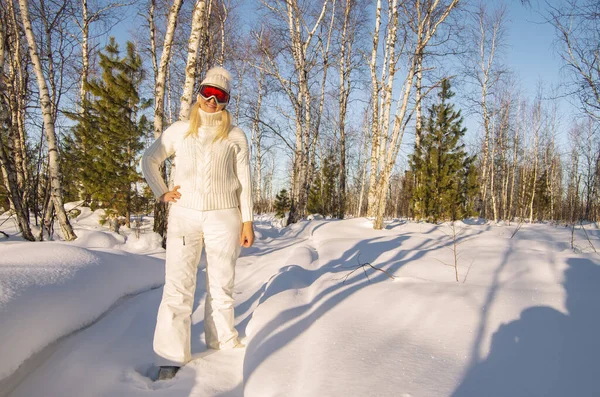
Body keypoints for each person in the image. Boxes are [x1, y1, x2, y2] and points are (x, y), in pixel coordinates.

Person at [141, 66, 254, 381]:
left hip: (226, 217)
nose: (212, 101)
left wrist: (248, 222)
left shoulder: (235, 135)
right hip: (184, 218)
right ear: (199, 93)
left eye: (221, 96)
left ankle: (222, 344)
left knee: (221, 286)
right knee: (178, 286)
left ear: (227, 100)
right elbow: (149, 159)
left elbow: (245, 181)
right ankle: (170, 356)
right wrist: (162, 192)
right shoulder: (179, 130)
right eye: (208, 93)